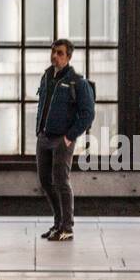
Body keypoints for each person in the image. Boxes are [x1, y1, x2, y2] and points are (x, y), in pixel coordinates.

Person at [34, 38, 95, 241]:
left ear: (68, 57)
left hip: (62, 139)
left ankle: (67, 227)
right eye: (53, 52)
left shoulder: (77, 81)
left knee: (61, 182)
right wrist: (39, 130)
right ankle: (58, 222)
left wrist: (70, 137)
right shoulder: (46, 77)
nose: (55, 56)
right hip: (43, 136)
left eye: (59, 53)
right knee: (45, 180)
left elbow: (88, 114)